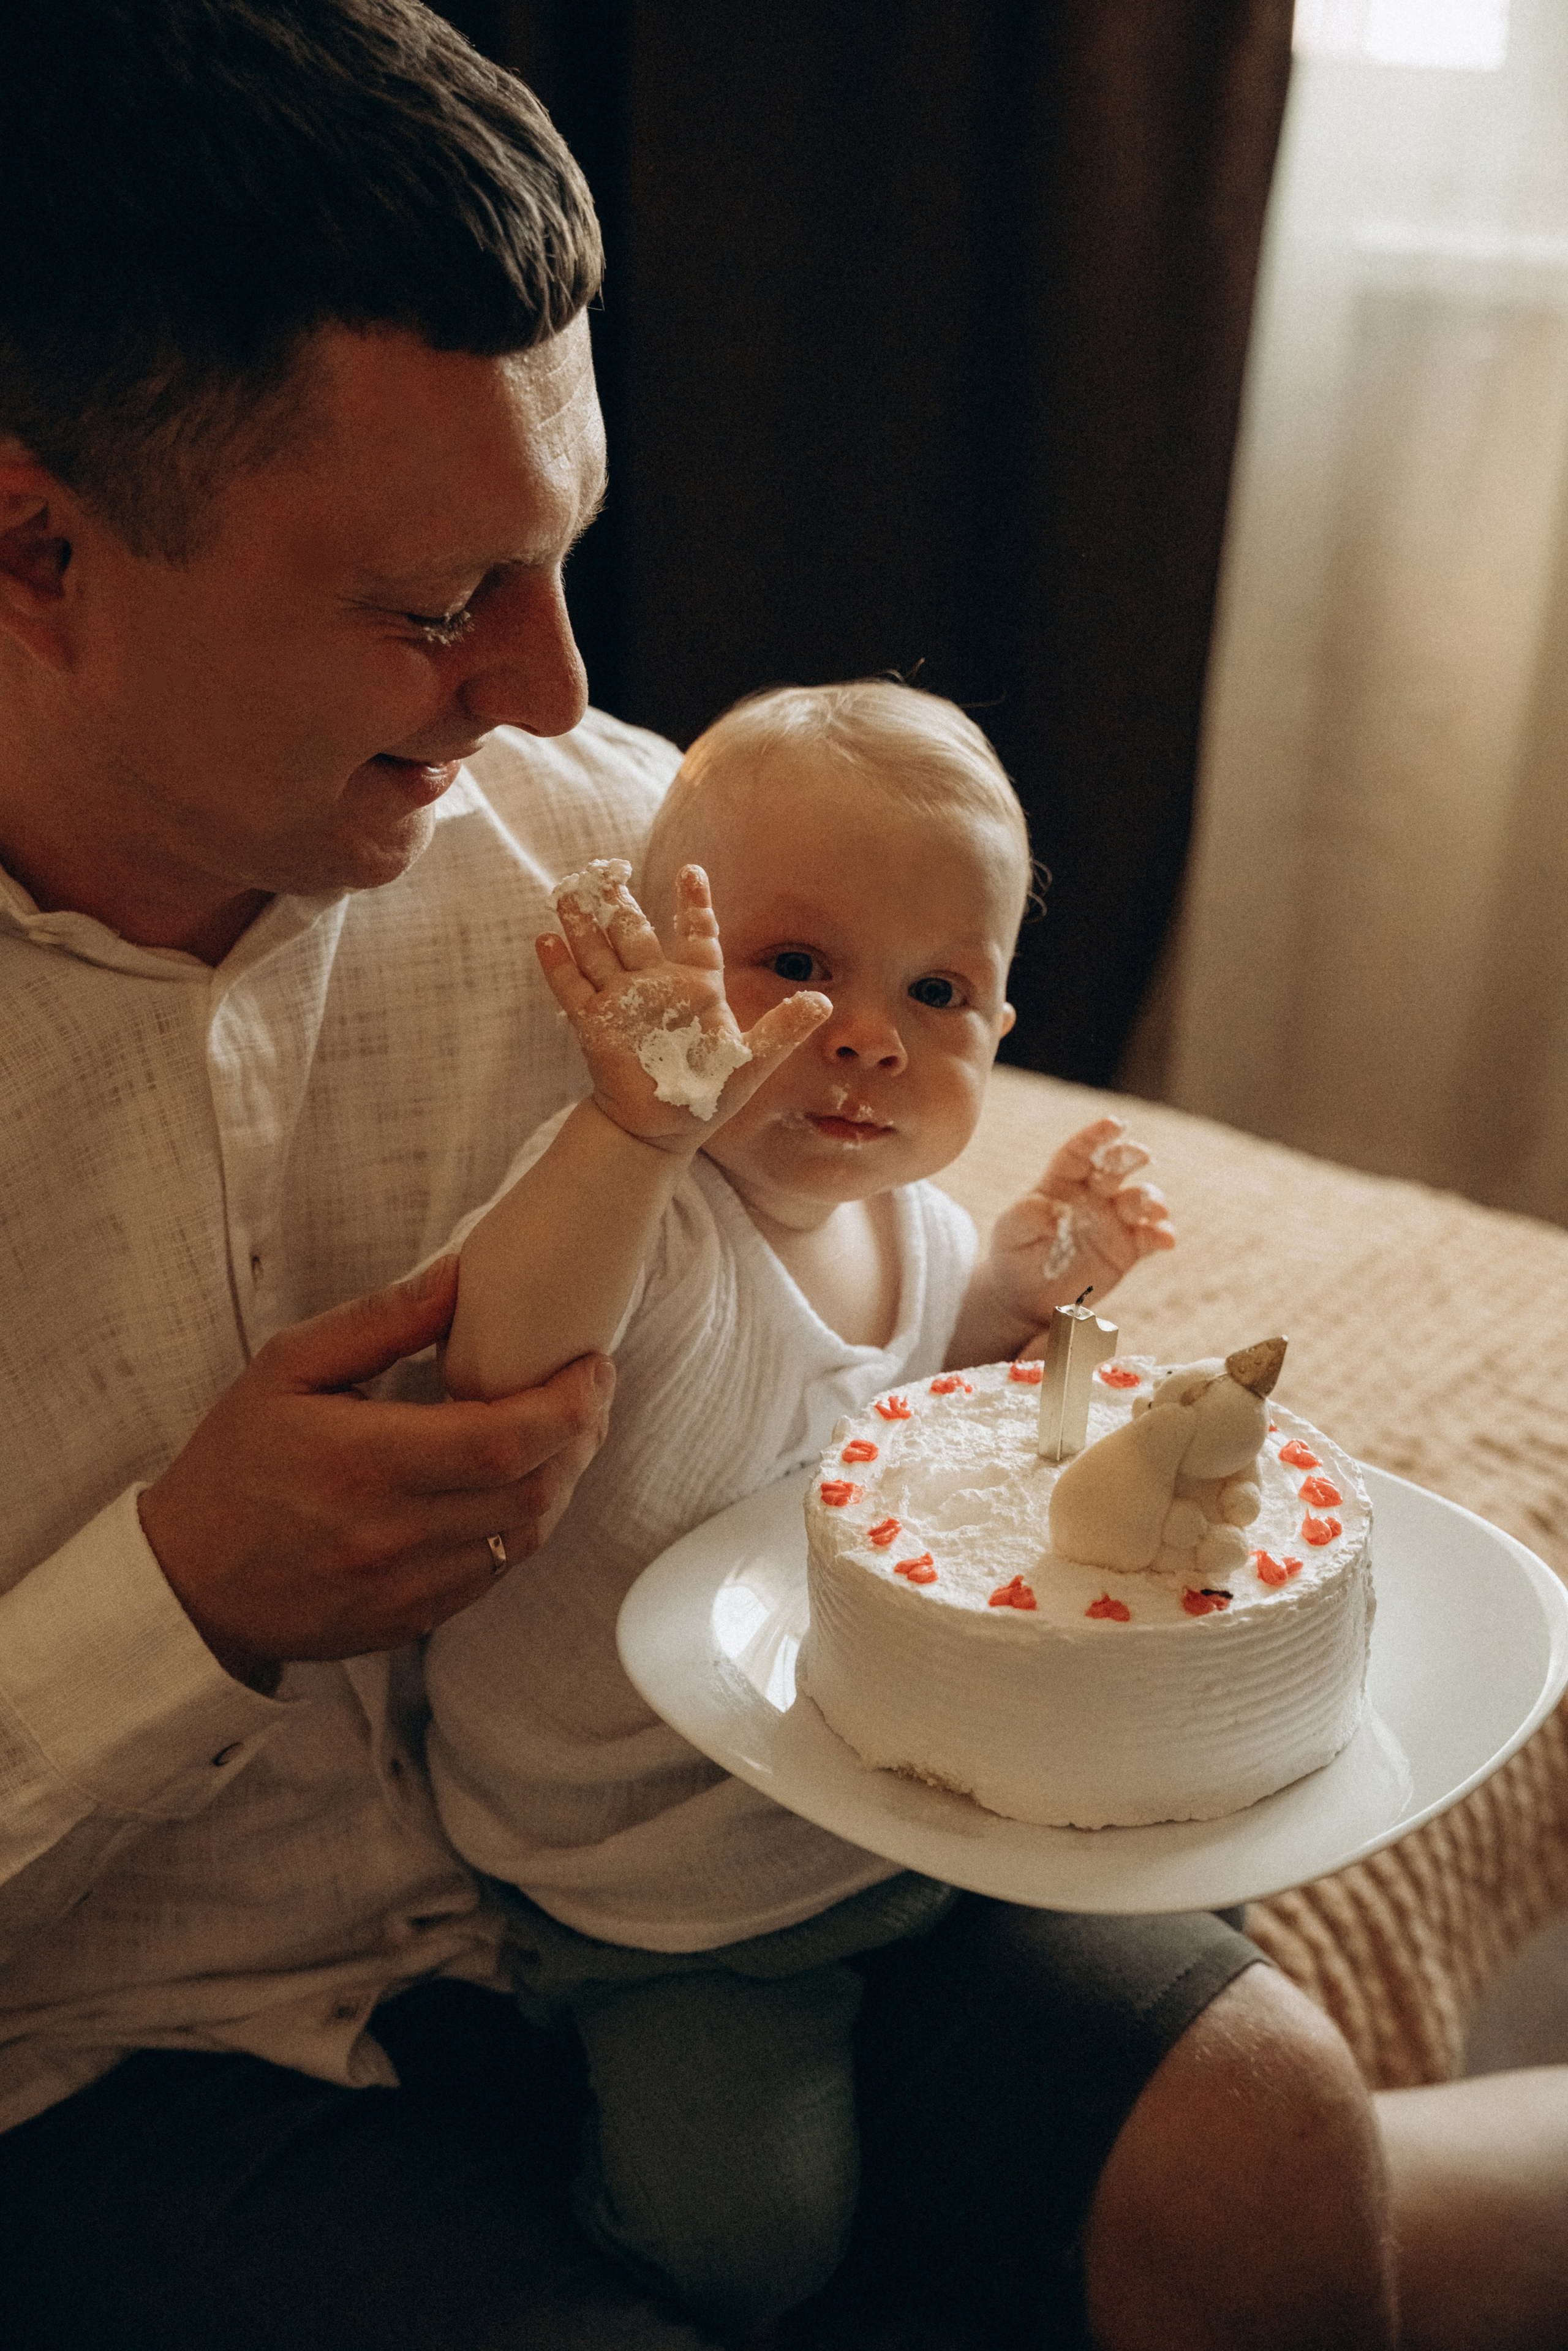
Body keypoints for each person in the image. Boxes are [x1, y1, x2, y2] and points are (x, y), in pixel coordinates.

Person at [1, 4, 1557, 2349]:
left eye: (562, 559)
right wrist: (181, 1594)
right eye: (434, 606)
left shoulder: (623, 861)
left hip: (739, 1854)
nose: (547, 699)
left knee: (1268, 2152)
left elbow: (894, 1190)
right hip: (129, 2043)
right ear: (34, 541)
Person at [423, 678, 1177, 2336]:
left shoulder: (914, 1228)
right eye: (793, 965)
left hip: (879, 1806)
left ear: (1003, 1026)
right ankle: (554, 2141)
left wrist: (1026, 1291)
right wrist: (634, 1122)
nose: (864, 1035)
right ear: (670, 968)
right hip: (656, 1900)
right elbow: (510, 1355)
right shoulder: (654, 1219)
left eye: (938, 991)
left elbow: (914, 1403)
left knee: (1189, 1902)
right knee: (750, 2243)